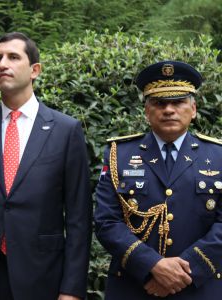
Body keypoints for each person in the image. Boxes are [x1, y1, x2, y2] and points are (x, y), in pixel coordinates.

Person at [0, 32, 91, 300]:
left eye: (13, 57)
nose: (2, 64)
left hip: (41, 276)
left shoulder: (65, 130)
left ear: (35, 70)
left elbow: (79, 219)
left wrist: (71, 289)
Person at [95, 60, 222, 299]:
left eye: (178, 102)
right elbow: (106, 221)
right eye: (159, 103)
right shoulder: (118, 155)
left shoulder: (218, 156)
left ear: (193, 109)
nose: (169, 110)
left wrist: (185, 271)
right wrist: (153, 266)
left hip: (200, 288)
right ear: (146, 111)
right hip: (135, 287)